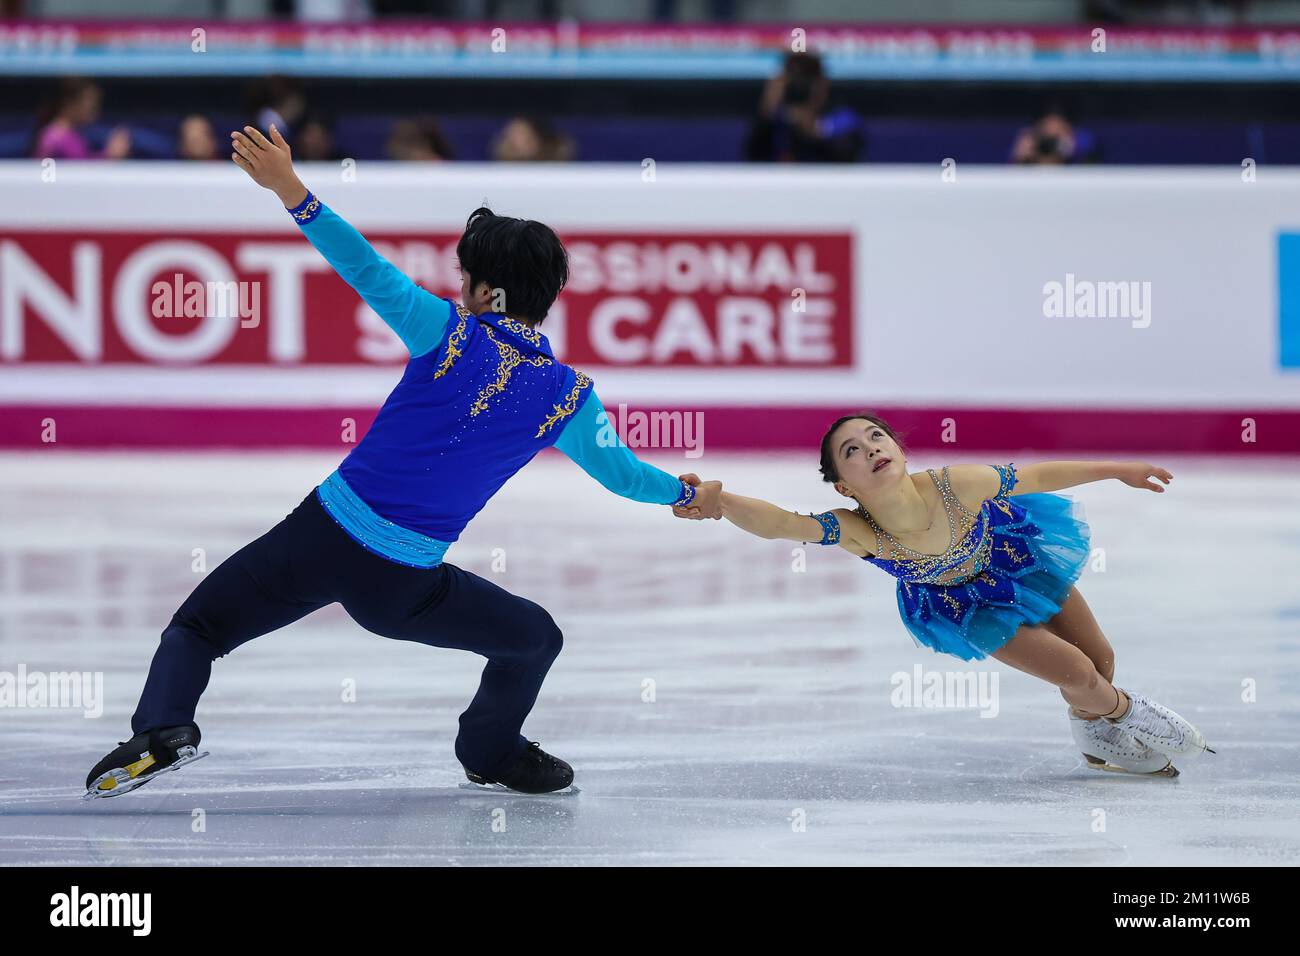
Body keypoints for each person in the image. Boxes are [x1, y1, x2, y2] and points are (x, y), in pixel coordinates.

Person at [84, 124, 722, 800]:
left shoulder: (446, 333)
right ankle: (490, 750)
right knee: (533, 639)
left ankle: (163, 729)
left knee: (199, 627)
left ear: (481, 290)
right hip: (401, 589)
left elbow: (363, 266)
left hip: (317, 538)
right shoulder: (567, 395)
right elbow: (622, 474)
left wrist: (292, 192)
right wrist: (680, 494)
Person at [676, 412, 1213, 777]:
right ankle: (1128, 714)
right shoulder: (856, 528)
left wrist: (1120, 471)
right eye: (852, 452)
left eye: (876, 438)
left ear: (899, 449)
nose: (871, 450)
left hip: (1014, 561)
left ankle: (1095, 734)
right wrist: (721, 502)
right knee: (1077, 674)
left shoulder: (955, 483)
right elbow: (779, 524)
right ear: (844, 485)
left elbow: (1041, 474)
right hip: (962, 606)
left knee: (1101, 661)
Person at [745, 52, 863, 163]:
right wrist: (769, 105)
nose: (800, 87)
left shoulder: (843, 118)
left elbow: (848, 159)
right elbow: (752, 156)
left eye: (808, 77)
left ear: (823, 83)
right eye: (795, 78)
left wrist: (816, 131)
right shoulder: (776, 119)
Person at [33, 77, 130, 161]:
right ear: (69, 104)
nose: (96, 112)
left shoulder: (68, 135)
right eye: (91, 106)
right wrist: (109, 155)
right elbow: (78, 172)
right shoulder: (55, 138)